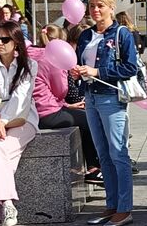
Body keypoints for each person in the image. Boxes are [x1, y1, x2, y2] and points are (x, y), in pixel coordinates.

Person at [75, 0, 139, 226]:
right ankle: (111, 205)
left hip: (111, 97)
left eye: (101, 5)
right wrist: (78, 71)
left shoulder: (121, 34)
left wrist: (98, 72)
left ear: (111, 7)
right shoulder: (85, 35)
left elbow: (130, 67)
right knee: (103, 154)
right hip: (90, 96)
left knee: (118, 153)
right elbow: (80, 62)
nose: (96, 10)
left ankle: (125, 208)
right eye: (92, 6)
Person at [0, 20, 38, 226]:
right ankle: (7, 202)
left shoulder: (29, 65)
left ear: (16, 43)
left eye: (5, 39)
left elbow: (20, 99)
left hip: (22, 120)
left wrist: (1, 122)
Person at [30, 25, 101, 183]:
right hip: (47, 113)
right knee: (88, 120)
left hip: (34, 111)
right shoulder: (52, 59)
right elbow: (61, 90)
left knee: (80, 117)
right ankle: (93, 168)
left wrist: (67, 106)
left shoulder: (32, 55)